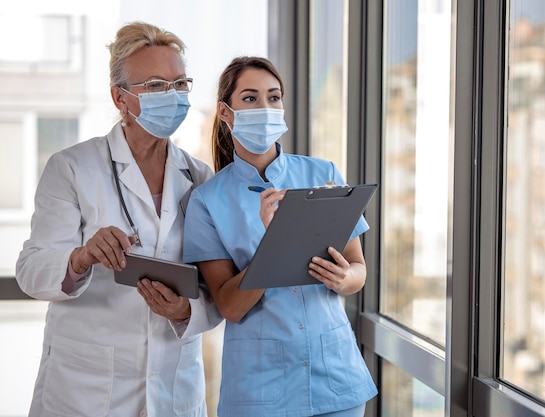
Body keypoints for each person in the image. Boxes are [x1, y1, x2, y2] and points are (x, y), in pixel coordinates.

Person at [16, 21, 222, 417]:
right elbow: (30, 270)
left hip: (174, 388)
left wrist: (183, 311)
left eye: (181, 84)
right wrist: (80, 257)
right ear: (120, 98)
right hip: (86, 392)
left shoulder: (200, 179)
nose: (174, 96)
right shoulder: (72, 168)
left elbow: (217, 286)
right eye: (157, 86)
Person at [183, 56, 377, 417]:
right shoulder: (207, 202)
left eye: (274, 98)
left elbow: (358, 271)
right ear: (226, 113)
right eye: (251, 98)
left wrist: (345, 278)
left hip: (336, 380)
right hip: (260, 390)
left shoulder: (324, 174)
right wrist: (275, 244)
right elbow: (229, 306)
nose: (265, 107)